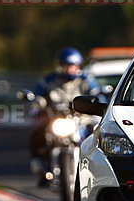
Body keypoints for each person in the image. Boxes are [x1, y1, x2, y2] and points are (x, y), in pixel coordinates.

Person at [28, 47, 100, 182]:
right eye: (67, 66)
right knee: (37, 132)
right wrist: (36, 106)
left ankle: (99, 166)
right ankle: (39, 163)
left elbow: (96, 94)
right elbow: (38, 96)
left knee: (98, 134)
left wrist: (98, 101)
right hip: (56, 118)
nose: (71, 69)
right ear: (60, 66)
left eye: (74, 66)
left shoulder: (85, 79)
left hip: (82, 119)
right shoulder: (49, 80)